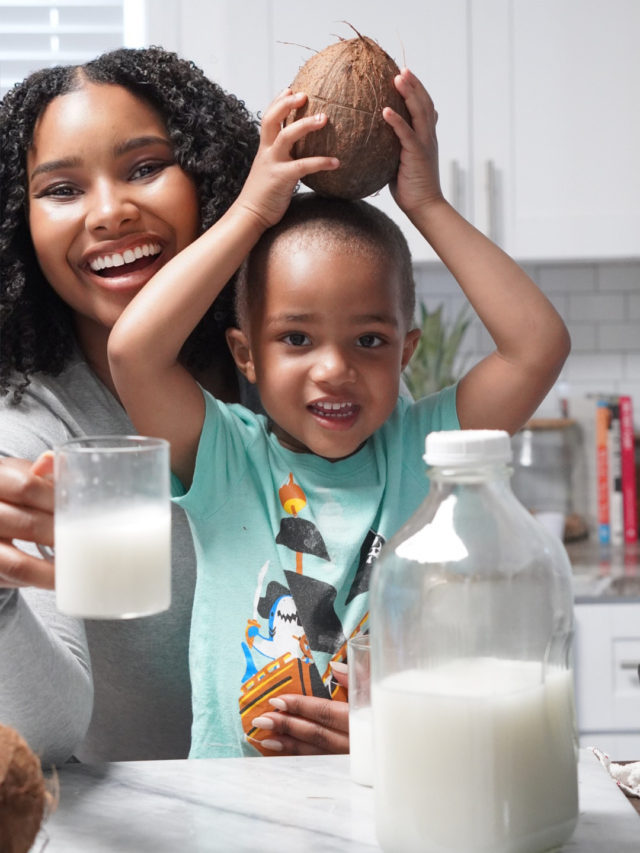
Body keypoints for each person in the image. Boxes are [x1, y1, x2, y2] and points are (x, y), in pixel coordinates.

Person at [107, 68, 571, 758]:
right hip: (234, 809)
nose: (334, 367)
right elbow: (135, 352)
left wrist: (428, 204)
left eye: (370, 339)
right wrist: (252, 213)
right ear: (246, 353)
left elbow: (538, 346)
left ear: (407, 350)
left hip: (395, 788)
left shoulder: (430, 450)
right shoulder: (227, 458)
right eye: (296, 338)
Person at [0, 46, 351, 767]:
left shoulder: (324, 376)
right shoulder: (27, 436)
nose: (110, 212)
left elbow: (441, 604)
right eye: (62, 189)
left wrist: (391, 717)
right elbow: (44, 736)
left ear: (212, 180)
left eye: (144, 167)